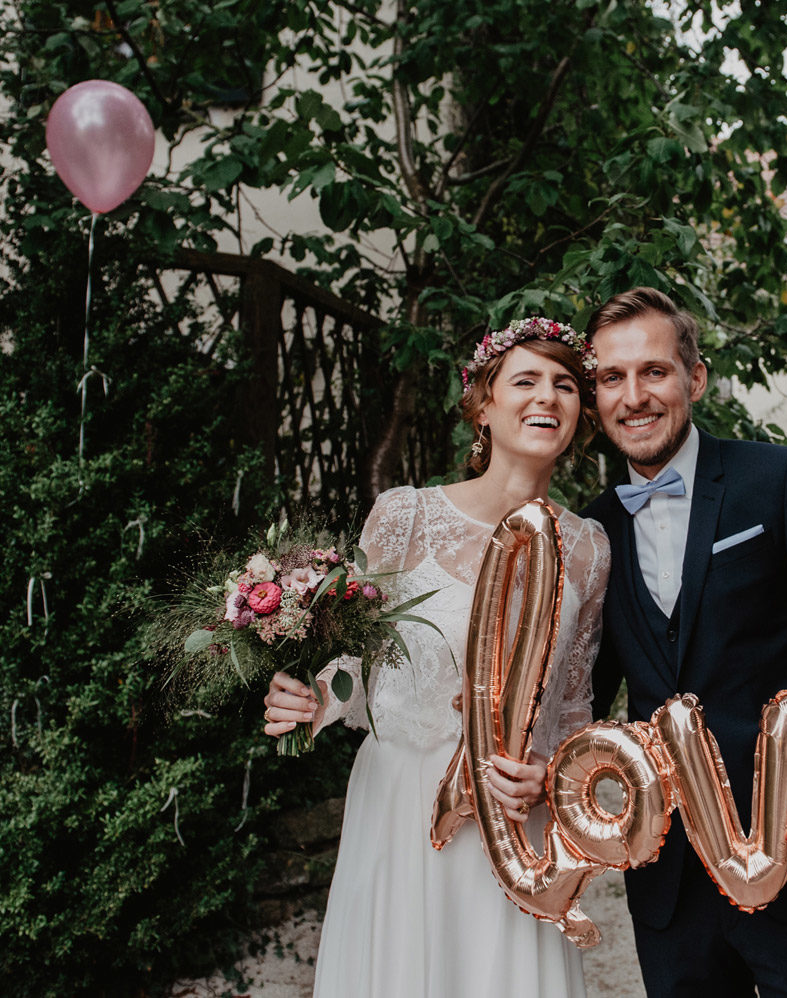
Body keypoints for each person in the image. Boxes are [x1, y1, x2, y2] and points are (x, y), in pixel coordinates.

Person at [260, 317, 609, 998]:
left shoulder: (591, 547)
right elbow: (358, 667)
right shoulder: (404, 517)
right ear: (483, 404)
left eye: (565, 385)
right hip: (405, 806)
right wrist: (310, 700)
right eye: (526, 380)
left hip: (515, 818)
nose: (548, 398)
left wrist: (549, 774)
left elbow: (573, 707)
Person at [582, 288, 787, 998]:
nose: (634, 396)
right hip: (668, 886)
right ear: (596, 395)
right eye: (611, 378)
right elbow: (579, 694)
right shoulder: (593, 530)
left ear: (696, 377)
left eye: (654, 371)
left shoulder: (779, 481)